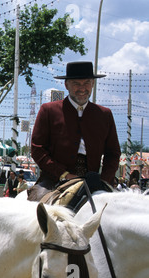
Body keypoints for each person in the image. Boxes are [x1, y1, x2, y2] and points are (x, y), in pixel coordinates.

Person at [29, 61, 121, 200]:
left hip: (94, 180)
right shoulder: (49, 110)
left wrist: (105, 180)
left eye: (86, 83)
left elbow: (113, 153)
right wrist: (63, 174)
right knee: (38, 209)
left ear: (93, 84)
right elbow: (37, 149)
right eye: (76, 84)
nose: (82, 88)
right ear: (66, 85)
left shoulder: (104, 114)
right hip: (54, 180)